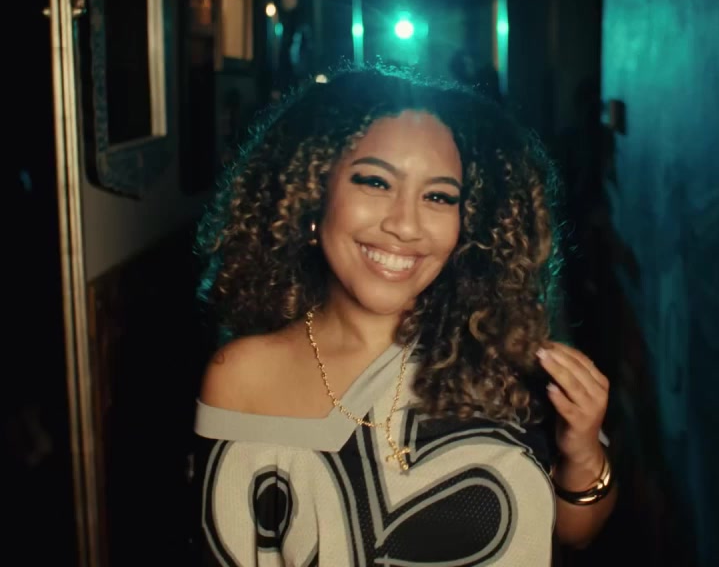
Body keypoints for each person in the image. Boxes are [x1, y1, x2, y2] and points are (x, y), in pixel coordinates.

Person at [191, 64, 616, 564]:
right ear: (313, 195)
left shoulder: (506, 357)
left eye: (438, 196)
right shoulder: (245, 377)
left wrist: (583, 451)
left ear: (468, 221)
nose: (405, 225)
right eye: (375, 182)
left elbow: (574, 533)